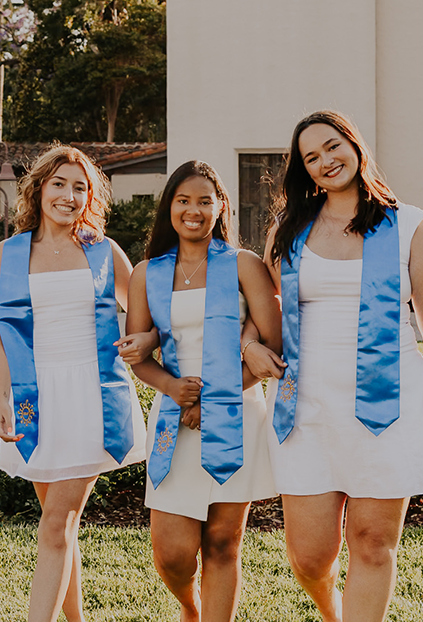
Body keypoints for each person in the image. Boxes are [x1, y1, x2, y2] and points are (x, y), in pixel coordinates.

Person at [244, 110, 423, 622]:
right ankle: (332, 611)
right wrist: (250, 342)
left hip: (391, 401)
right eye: (311, 157)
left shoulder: (410, 225)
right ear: (304, 170)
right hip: (306, 406)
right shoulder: (289, 229)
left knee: (373, 543)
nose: (325, 161)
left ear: (355, 145)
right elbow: (261, 306)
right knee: (310, 556)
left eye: (332, 146)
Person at [0, 144, 155, 622]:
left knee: (56, 523)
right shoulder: (10, 252)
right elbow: (0, 330)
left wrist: (143, 340)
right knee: (60, 526)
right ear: (39, 188)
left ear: (91, 197)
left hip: (92, 396)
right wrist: (2, 397)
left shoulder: (103, 252)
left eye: (79, 187)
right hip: (35, 399)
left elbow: (145, 316)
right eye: (59, 184)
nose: (68, 194)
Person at [126, 160, 281, 622]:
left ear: (220, 208)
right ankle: (190, 608)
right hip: (175, 411)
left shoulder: (242, 265)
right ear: (169, 207)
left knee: (221, 542)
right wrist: (173, 387)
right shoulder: (146, 273)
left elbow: (272, 346)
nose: (193, 210)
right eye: (183, 200)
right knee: (171, 553)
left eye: (204, 201)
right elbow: (139, 357)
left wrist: (218, 398)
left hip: (236, 411)